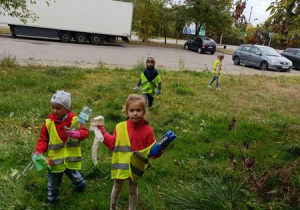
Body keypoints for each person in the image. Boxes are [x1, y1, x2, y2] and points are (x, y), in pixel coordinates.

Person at [98, 94, 159, 210]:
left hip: (136, 168)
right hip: (120, 166)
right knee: (116, 188)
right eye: (131, 110)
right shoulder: (120, 127)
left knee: (133, 190)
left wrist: (160, 149)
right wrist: (102, 132)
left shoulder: (148, 130)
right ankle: (112, 207)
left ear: (144, 111)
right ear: (127, 112)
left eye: (138, 110)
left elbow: (152, 151)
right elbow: (112, 144)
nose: (135, 113)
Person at [34, 90, 89, 205]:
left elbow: (84, 132)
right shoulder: (48, 123)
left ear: (67, 108)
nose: (54, 111)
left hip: (70, 158)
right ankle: (52, 199)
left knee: (74, 176)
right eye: (53, 107)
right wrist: (38, 150)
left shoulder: (76, 120)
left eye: (58, 108)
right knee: (53, 183)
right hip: (54, 160)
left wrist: (77, 134)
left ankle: (80, 184)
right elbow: (43, 139)